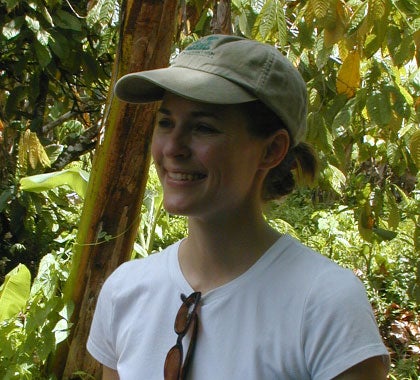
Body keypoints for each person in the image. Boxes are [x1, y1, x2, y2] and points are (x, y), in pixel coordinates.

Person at [87, 34, 389, 380]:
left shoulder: (323, 303)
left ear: (271, 150)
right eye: (166, 122)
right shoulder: (125, 290)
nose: (172, 147)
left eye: (203, 127)